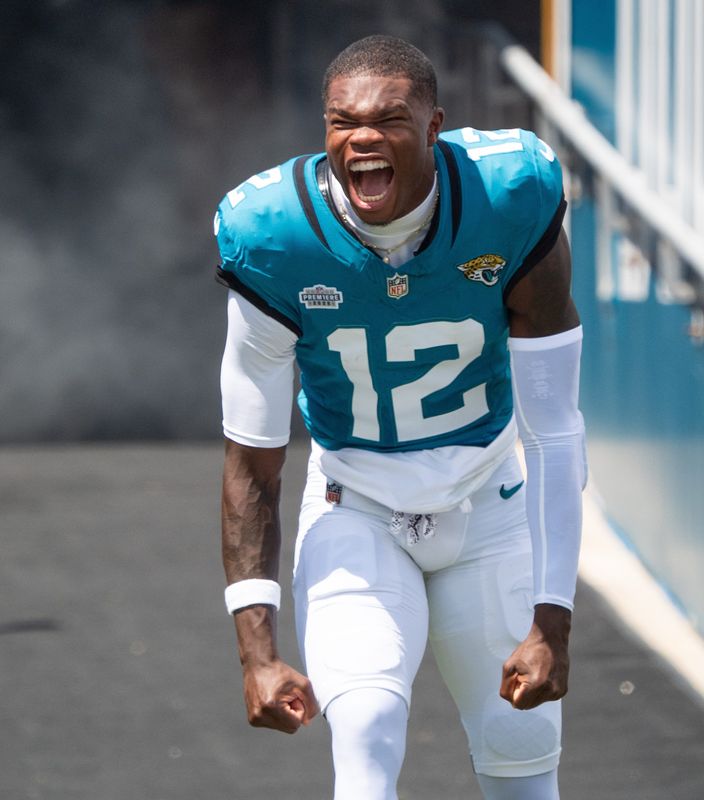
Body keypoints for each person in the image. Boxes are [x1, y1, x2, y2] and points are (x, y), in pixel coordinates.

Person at [214, 34, 586, 800]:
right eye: (343, 121)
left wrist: (555, 619)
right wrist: (256, 649)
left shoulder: (509, 196)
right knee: (366, 732)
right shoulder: (273, 235)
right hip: (358, 507)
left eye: (388, 119)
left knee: (522, 755)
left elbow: (554, 428)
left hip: (489, 504)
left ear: (434, 126)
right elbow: (252, 459)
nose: (363, 139)